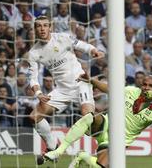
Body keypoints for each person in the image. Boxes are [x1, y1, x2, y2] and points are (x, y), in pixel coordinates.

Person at [43, 74, 152, 168]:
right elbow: (109, 90)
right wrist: (92, 81)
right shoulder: (131, 91)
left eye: (150, 86)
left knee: (100, 166)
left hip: (118, 144)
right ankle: (59, 150)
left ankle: (83, 156)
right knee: (91, 116)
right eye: (144, 84)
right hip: (105, 126)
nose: (146, 87)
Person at [28, 16, 104, 154]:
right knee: (34, 116)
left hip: (80, 82)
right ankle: (52, 146)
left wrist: (93, 50)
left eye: (45, 25)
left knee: (88, 116)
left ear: (50, 27)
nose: (42, 28)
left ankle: (105, 136)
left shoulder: (62, 38)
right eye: (38, 26)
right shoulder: (34, 52)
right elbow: (33, 78)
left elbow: (80, 45)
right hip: (61, 90)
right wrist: (39, 94)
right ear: (35, 29)